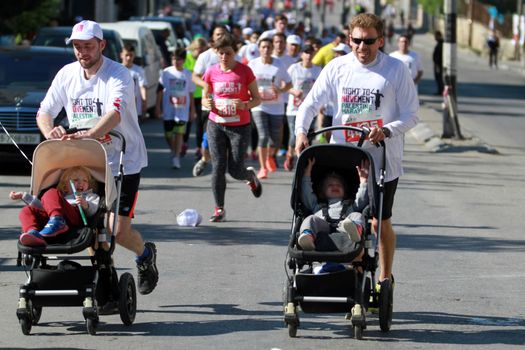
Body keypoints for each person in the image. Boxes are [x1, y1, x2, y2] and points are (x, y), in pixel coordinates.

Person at [294, 13, 419, 286]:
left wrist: (386, 130)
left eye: (369, 41)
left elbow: (412, 114)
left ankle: (384, 277)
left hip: (382, 159)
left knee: (378, 221)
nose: (362, 48)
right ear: (349, 39)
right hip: (344, 156)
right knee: (344, 216)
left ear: (381, 41)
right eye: (357, 41)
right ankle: (352, 275)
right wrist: (301, 132)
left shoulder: (396, 69)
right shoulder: (338, 67)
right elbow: (309, 104)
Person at [36, 20, 158, 295]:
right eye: (78, 47)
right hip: (87, 163)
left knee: (116, 230)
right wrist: (51, 132)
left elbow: (115, 113)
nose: (82, 53)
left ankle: (145, 254)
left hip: (123, 161)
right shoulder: (67, 74)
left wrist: (91, 134)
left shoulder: (119, 75)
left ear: (102, 45)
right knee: (90, 225)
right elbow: (44, 112)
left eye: (88, 47)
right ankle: (103, 278)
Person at [201, 33, 263, 222]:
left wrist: (244, 105)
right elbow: (205, 97)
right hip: (216, 124)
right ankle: (219, 208)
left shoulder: (245, 71)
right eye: (221, 53)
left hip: (240, 126)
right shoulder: (211, 71)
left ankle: (250, 176)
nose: (224, 57)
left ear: (234, 53)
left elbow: (257, 99)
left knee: (235, 170)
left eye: (228, 53)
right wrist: (208, 103)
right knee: (218, 166)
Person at [11, 166, 100, 247]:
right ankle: (33, 233)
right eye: (76, 180)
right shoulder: (60, 196)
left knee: (51, 192)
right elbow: (42, 207)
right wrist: (24, 196)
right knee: (26, 210)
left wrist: (86, 205)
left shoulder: (90, 196)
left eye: (85, 180)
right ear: (65, 186)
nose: (81, 183)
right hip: (52, 221)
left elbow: (93, 210)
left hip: (76, 218)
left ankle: (57, 220)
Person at [298, 158, 369, 252]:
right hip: (323, 227)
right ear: (321, 192)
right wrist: (306, 174)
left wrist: (364, 182)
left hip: (345, 227)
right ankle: (308, 236)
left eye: (339, 185)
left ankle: (357, 229)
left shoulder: (350, 205)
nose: (335, 186)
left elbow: (362, 199)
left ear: (345, 191)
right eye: (330, 185)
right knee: (310, 219)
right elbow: (307, 194)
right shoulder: (318, 205)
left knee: (357, 215)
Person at [248, 38, 292, 179]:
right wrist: (250, 93)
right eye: (263, 47)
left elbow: (289, 84)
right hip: (259, 105)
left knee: (275, 140)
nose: (266, 50)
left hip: (276, 107)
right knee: (263, 136)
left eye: (268, 47)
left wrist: (280, 90)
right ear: (259, 49)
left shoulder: (279, 65)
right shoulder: (253, 64)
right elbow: (245, 83)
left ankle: (270, 157)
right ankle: (262, 168)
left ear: (272, 49)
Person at [192, 24, 229, 177]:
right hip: (210, 102)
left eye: (223, 34)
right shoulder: (205, 56)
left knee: (227, 134)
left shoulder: (231, 54)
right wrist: (207, 84)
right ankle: (205, 158)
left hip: (228, 103)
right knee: (209, 133)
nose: (220, 37)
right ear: (213, 37)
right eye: (217, 34)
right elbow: (195, 76)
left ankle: (220, 162)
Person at [156, 48, 196, 169]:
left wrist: (192, 110)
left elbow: (190, 93)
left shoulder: (188, 74)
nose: (175, 61)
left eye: (178, 59)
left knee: (179, 133)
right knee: (168, 134)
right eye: (173, 58)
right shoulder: (166, 72)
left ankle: (176, 156)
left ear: (183, 60)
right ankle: (174, 150)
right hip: (169, 109)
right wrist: (158, 106)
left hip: (182, 109)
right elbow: (159, 91)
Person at [284, 45, 322, 171]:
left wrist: (322, 105)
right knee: (294, 135)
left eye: (311, 53)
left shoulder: (317, 70)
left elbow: (322, 89)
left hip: (310, 109)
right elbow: (284, 85)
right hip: (293, 109)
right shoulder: (294, 68)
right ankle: (290, 155)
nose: (309, 55)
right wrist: (293, 91)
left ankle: (305, 159)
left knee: (308, 135)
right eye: (306, 52)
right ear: (301, 54)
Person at [183, 37, 208, 159]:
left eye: (203, 50)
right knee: (187, 120)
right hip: (187, 94)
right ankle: (184, 142)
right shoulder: (187, 58)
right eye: (198, 49)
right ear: (194, 48)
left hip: (200, 95)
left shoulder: (203, 60)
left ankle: (199, 148)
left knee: (199, 123)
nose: (200, 53)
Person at [120, 44, 148, 121]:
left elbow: (142, 87)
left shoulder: (139, 70)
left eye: (131, 55)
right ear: (121, 55)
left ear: (134, 56)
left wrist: (144, 102)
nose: (128, 58)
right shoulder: (117, 69)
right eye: (126, 55)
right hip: (120, 107)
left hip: (135, 108)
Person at [432, 30, 444, 95]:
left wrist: (437, 64)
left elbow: (439, 56)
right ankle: (440, 90)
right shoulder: (439, 43)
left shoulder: (441, 44)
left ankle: (441, 91)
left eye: (436, 36)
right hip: (437, 64)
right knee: (438, 78)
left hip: (439, 64)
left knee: (439, 78)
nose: (435, 37)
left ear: (439, 36)